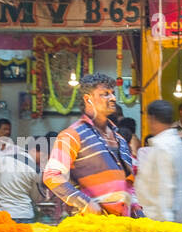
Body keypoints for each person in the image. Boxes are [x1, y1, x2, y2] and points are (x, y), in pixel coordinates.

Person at [43, 73, 143, 216]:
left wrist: (136, 208)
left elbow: (127, 184)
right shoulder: (72, 135)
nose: (113, 98)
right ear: (88, 99)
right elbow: (52, 176)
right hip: (89, 226)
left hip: (121, 227)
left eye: (113, 94)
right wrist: (85, 203)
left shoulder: (120, 138)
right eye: (105, 94)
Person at [133, 100, 182, 223]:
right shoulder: (177, 144)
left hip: (160, 220)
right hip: (171, 216)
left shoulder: (163, 147)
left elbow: (164, 189)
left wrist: (165, 224)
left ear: (152, 119)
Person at [0, 139, 42, 222]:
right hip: (25, 215)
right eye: (43, 154)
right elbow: (35, 198)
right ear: (33, 150)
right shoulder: (36, 169)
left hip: (2, 214)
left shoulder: (2, 160)